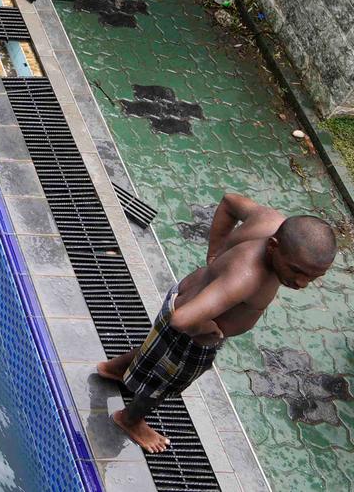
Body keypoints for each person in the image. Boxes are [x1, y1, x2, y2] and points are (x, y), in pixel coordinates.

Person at [97, 194, 335, 453]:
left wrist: (215, 252)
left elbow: (229, 203)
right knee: (162, 383)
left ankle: (114, 369)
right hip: (191, 338)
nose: (301, 283)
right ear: (273, 246)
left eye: (313, 277)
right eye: (296, 271)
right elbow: (182, 320)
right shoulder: (246, 277)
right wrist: (208, 330)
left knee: (157, 349)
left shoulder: (270, 221)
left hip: (184, 297)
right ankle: (130, 420)